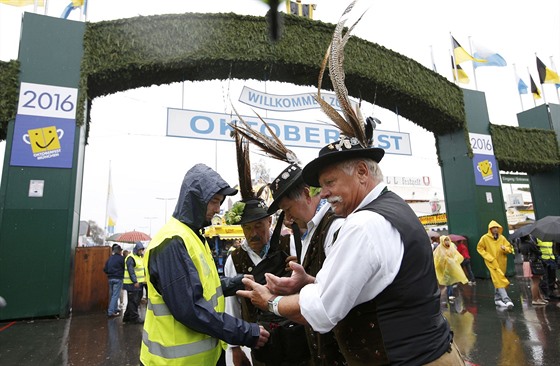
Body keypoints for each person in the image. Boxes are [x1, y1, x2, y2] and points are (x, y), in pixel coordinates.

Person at [239, 142, 462, 364]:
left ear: (362, 172)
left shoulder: (363, 223)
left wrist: (270, 301)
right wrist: (310, 282)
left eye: (329, 183)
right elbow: (370, 282)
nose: (324, 194)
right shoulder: (394, 206)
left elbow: (323, 310)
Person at [139, 163, 269, 366]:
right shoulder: (172, 242)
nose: (218, 209)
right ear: (195, 200)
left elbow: (205, 286)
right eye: (214, 202)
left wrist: (236, 283)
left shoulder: (194, 236)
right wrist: (244, 332)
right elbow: (190, 309)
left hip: (203, 359)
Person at [476, 220, 514, 309]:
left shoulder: (502, 238)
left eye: (497, 227)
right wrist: (489, 257)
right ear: (490, 229)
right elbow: (480, 248)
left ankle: (497, 299)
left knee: (498, 280)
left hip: (502, 262)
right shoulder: (485, 238)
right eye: (494, 228)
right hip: (492, 263)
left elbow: (509, 248)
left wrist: (505, 248)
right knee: (499, 280)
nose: (496, 229)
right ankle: (507, 300)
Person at [433, 236, 468, 302]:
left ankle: (450, 293)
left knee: (451, 281)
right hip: (444, 269)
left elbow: (457, 255)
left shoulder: (451, 248)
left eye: (447, 240)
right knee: (448, 282)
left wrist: (454, 260)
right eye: (445, 240)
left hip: (451, 268)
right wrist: (444, 260)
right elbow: (436, 258)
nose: (446, 242)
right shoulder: (439, 249)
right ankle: (450, 295)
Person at [518, 234, 547, 305]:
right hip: (533, 263)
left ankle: (539, 298)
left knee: (534, 282)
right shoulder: (530, 244)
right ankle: (535, 299)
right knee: (536, 282)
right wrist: (537, 248)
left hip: (526, 263)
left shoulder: (521, 244)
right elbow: (538, 252)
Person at [122, 242, 146, 324]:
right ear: (136, 249)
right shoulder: (131, 258)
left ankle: (127, 317)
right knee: (133, 301)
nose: (141, 251)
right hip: (132, 284)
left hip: (138, 283)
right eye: (140, 250)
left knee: (134, 300)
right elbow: (131, 270)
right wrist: (135, 281)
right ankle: (134, 317)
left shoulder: (138, 257)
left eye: (142, 250)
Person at [103, 244, 125, 317]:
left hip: (110, 278)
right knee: (115, 296)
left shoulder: (110, 258)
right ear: (119, 251)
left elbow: (105, 269)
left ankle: (115, 309)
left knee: (112, 295)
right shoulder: (121, 259)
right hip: (118, 278)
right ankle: (111, 311)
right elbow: (124, 268)